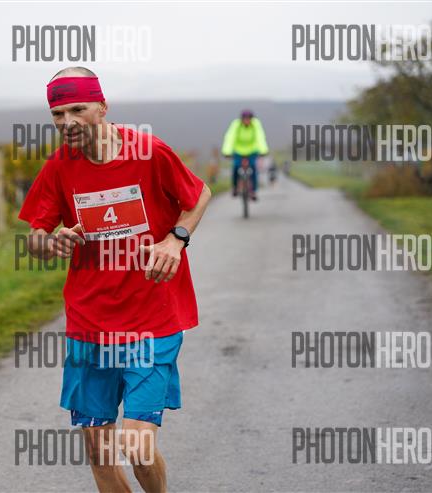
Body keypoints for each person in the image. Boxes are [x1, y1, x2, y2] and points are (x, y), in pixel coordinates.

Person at [19, 66, 211, 493]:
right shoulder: (59, 166)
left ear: (103, 107)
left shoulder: (149, 152)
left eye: (78, 109)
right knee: (99, 451)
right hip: (89, 325)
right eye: (57, 114)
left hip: (152, 320)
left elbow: (199, 195)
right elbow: (35, 236)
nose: (67, 122)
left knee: (138, 446)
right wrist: (49, 242)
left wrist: (175, 241)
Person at [221, 109, 269, 200]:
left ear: (251, 119)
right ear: (241, 119)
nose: (247, 120)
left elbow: (260, 137)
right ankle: (235, 187)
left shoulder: (255, 124)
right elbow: (230, 137)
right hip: (238, 151)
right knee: (236, 167)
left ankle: (253, 191)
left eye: (249, 118)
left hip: (252, 151)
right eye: (245, 118)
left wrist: (263, 150)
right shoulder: (236, 125)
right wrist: (226, 151)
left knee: (253, 168)